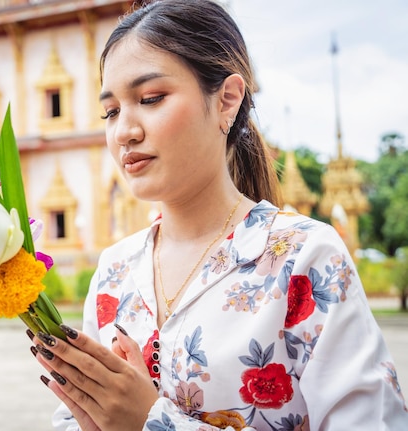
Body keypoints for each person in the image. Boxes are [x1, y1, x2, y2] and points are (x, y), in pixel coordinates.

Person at [30, 0, 408, 429]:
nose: (124, 132)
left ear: (227, 100)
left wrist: (151, 422)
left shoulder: (303, 259)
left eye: (150, 98)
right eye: (111, 111)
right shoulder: (114, 271)